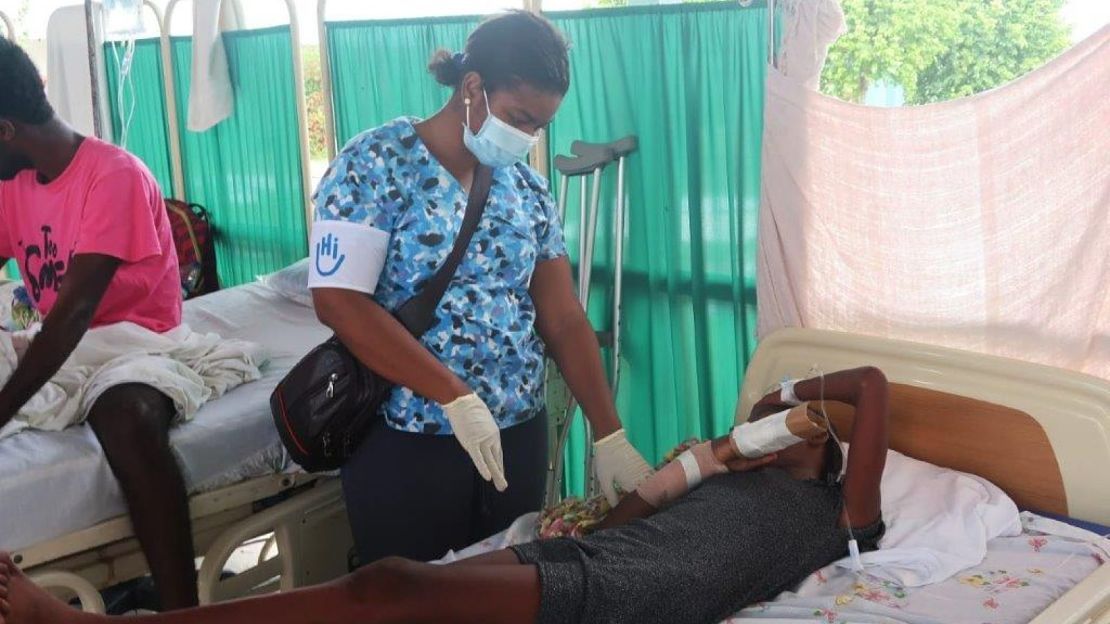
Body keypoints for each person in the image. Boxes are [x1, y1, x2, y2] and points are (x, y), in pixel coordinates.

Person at [0, 367, 889, 624]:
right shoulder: (725, 482)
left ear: (830, 456)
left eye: (796, 436)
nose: (777, 437)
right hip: (593, 564)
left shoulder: (837, 519)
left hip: (640, 598)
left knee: (391, 587)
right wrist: (699, 465)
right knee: (392, 600)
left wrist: (807, 400)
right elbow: (619, 527)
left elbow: (876, 386)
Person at [308, 10, 652, 565]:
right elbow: (338, 301)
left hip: (516, 430)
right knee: (415, 598)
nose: (529, 136)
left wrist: (609, 433)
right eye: (520, 117)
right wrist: (453, 395)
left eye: (540, 125)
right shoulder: (374, 164)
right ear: (472, 88)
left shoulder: (528, 190)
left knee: (509, 585)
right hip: (407, 434)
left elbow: (561, 317)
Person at [0, 38, 197, 609]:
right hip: (66, 345)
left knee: (127, 418)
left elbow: (73, 317)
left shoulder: (112, 176)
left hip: (138, 344)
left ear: (6, 130)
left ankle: (185, 611)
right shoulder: (15, 185)